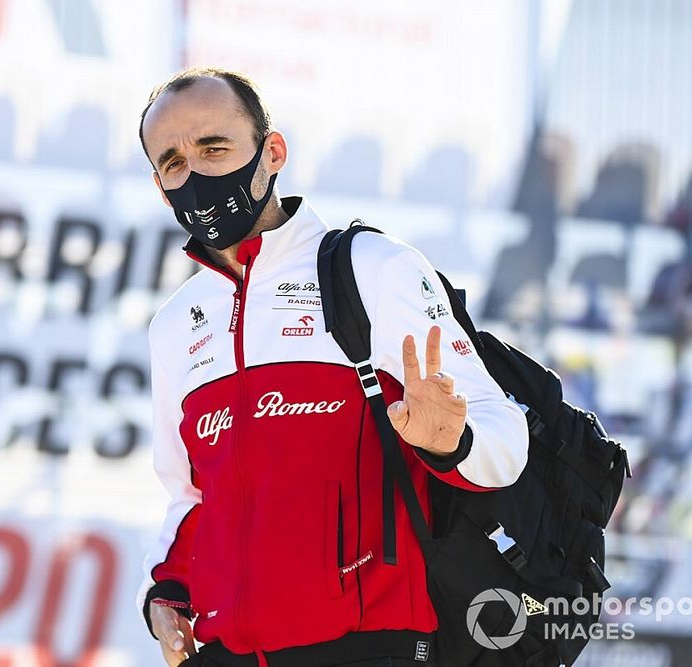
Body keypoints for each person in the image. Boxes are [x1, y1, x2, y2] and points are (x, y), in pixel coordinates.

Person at [136, 67, 529, 667]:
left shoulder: (372, 268)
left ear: (273, 152)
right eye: (173, 162)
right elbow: (190, 496)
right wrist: (165, 590)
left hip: (370, 647)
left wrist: (452, 441)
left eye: (214, 147)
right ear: (162, 189)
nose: (196, 174)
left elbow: (505, 443)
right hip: (225, 653)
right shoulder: (175, 324)